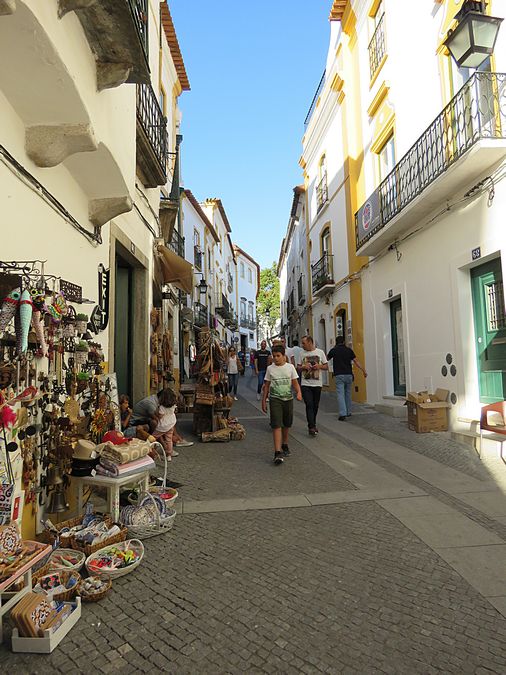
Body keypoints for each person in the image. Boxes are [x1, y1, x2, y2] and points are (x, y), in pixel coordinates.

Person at [261, 344, 302, 465]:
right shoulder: (270, 369)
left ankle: (285, 443)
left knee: (287, 424)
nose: (276, 358)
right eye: (274, 356)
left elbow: (295, 383)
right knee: (276, 425)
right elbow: (267, 386)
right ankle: (277, 452)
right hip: (275, 400)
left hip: (288, 400)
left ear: (284, 356)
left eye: (278, 356)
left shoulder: (290, 367)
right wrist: (264, 400)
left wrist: (299, 392)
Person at [327, 336, 367, 420]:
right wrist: (363, 370)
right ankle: (349, 411)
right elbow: (356, 361)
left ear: (336, 342)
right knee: (348, 394)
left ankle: (342, 413)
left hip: (339, 375)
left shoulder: (333, 351)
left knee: (340, 394)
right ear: (344, 342)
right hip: (349, 375)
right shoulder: (349, 350)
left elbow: (326, 359)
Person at [296, 335, 328, 436]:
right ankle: (311, 426)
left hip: (317, 384)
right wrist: (304, 367)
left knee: (315, 405)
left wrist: (319, 366)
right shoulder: (301, 353)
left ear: (310, 342)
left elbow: (326, 366)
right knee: (309, 404)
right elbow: (298, 368)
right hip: (305, 384)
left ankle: (313, 424)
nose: (302, 345)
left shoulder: (320, 352)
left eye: (304, 343)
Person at [150, 388, 178, 459]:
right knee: (169, 440)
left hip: (163, 425)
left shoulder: (162, 407)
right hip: (171, 423)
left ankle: (150, 451)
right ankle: (169, 455)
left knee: (152, 437)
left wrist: (156, 413)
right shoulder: (173, 405)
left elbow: (160, 416)